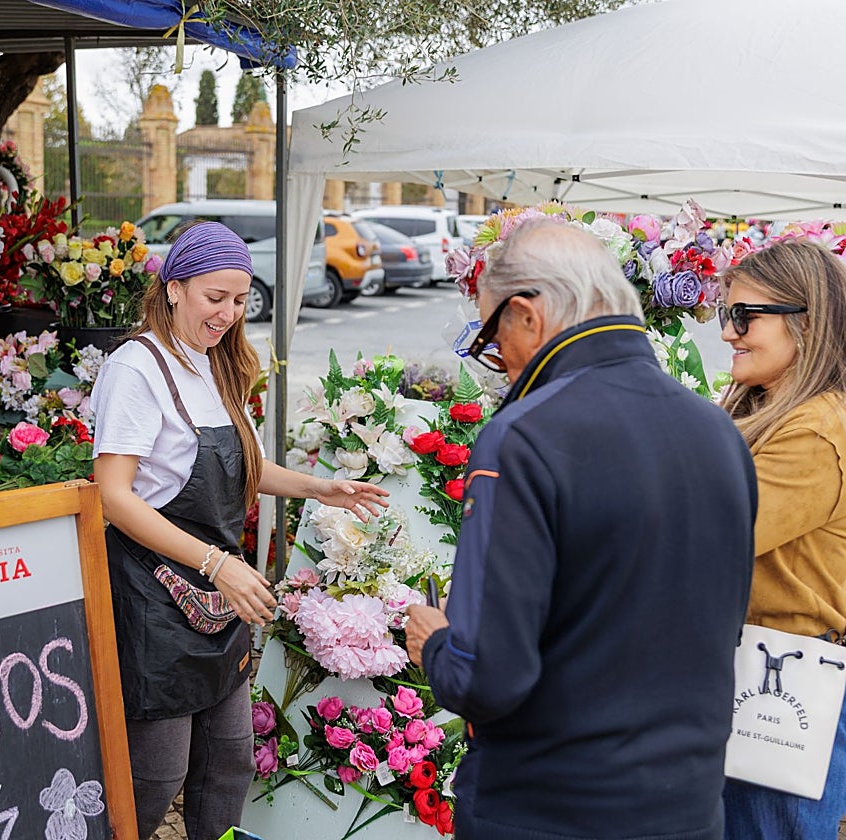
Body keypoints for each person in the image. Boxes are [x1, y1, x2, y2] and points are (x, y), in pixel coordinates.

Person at [404, 220, 757, 840]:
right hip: (687, 805)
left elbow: (487, 677)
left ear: (526, 316)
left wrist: (434, 643)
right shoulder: (717, 431)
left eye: (491, 339)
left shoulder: (524, 436)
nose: (499, 364)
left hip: (549, 806)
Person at [90, 221, 388, 840]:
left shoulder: (215, 367)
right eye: (214, 297)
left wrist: (319, 486)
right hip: (152, 599)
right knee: (157, 775)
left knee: (229, 762)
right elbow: (114, 498)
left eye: (239, 300)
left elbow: (244, 469)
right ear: (173, 289)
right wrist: (217, 564)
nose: (228, 314)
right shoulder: (136, 369)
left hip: (216, 596)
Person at [717, 239, 846, 840]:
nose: (728, 333)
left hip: (788, 677)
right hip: (758, 668)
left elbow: (712, 534)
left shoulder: (815, 431)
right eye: (726, 315)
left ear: (808, 321)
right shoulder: (777, 411)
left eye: (745, 316)